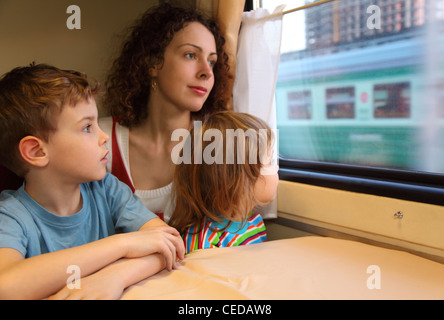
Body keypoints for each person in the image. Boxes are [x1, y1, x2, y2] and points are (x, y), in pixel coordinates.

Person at [0, 63, 185, 300]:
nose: (104, 136)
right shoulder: (11, 216)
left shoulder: (106, 189)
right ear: (37, 151)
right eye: (87, 127)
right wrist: (122, 245)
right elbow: (6, 286)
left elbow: (168, 243)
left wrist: (115, 277)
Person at [99, 3, 231, 221]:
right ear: (153, 63)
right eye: (190, 55)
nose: (207, 73)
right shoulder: (100, 139)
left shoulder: (217, 142)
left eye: (212, 61)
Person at [168, 111, 279, 254]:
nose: (275, 168)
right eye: (269, 161)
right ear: (236, 179)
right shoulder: (206, 244)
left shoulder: (254, 223)